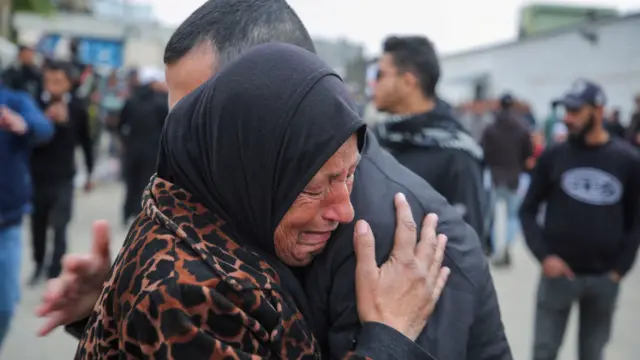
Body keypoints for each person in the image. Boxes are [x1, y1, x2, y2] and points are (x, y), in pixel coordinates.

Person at [38, 1, 510, 359]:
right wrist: (114, 310)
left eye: (209, 112)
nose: (190, 139)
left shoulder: (394, 243)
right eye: (179, 116)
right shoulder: (215, 211)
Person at [76, 43, 449, 359]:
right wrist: (390, 336)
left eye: (349, 175)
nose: (345, 211)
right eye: (314, 188)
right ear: (248, 173)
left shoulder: (204, 226)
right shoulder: (186, 297)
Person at [520, 79, 640, 360]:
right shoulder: (554, 156)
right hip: (558, 277)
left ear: (598, 111)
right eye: (566, 110)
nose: (567, 118)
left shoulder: (628, 161)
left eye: (575, 111)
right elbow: (527, 210)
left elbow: (636, 221)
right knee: (544, 351)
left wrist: (619, 270)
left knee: (592, 353)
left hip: (603, 280)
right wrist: (544, 255)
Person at [372, 35, 487, 242]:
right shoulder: (376, 139)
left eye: (380, 75)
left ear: (408, 82)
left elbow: (468, 246)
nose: (373, 83)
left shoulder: (457, 154)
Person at [29, 61, 94, 284]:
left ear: (68, 83)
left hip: (64, 177)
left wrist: (90, 173)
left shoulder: (77, 107)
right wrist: (43, 122)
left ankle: (55, 270)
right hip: (37, 177)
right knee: (37, 224)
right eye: (49, 81)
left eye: (58, 81)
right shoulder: (35, 105)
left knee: (60, 224)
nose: (52, 86)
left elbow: (85, 142)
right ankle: (38, 263)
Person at [0, 84, 54, 349]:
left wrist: (21, 124)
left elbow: (43, 126)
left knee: (5, 306)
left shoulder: (14, 100)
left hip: (7, 224)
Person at [481, 93, 532, 266]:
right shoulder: (522, 127)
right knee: (512, 216)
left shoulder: (491, 127)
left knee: (494, 216)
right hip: (514, 176)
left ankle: (496, 250)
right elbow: (528, 152)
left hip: (494, 176)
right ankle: (508, 246)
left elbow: (484, 151)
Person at [118, 67, 168, 226]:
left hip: (132, 149)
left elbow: (120, 124)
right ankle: (142, 213)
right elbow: (166, 128)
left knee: (130, 182)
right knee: (145, 183)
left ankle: (127, 213)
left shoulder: (131, 100)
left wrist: (125, 141)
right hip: (152, 150)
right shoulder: (160, 103)